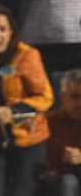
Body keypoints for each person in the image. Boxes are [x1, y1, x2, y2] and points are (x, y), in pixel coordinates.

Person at [0, 5, 54, 196]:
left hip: (28, 139)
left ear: (11, 32)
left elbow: (46, 98)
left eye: (2, 29)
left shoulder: (27, 56)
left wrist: (13, 112)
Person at [40, 68, 81, 196]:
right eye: (75, 96)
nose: (80, 103)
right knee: (68, 182)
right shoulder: (45, 123)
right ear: (62, 97)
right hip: (55, 184)